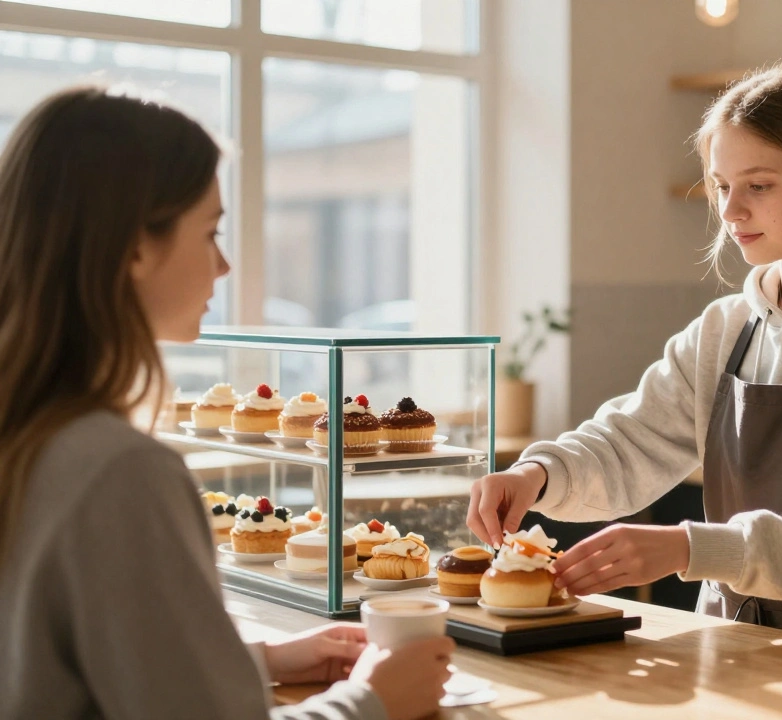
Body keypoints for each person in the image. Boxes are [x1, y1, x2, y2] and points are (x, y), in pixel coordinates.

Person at [0, 87, 453, 719]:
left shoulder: (26, 434)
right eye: (210, 231)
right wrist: (372, 701)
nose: (224, 265)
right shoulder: (119, 472)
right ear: (133, 245)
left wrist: (257, 660)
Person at [468, 66, 782, 652]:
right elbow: (629, 443)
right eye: (722, 186)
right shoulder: (727, 329)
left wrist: (684, 548)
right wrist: (535, 475)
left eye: (759, 185)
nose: (730, 211)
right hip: (725, 642)